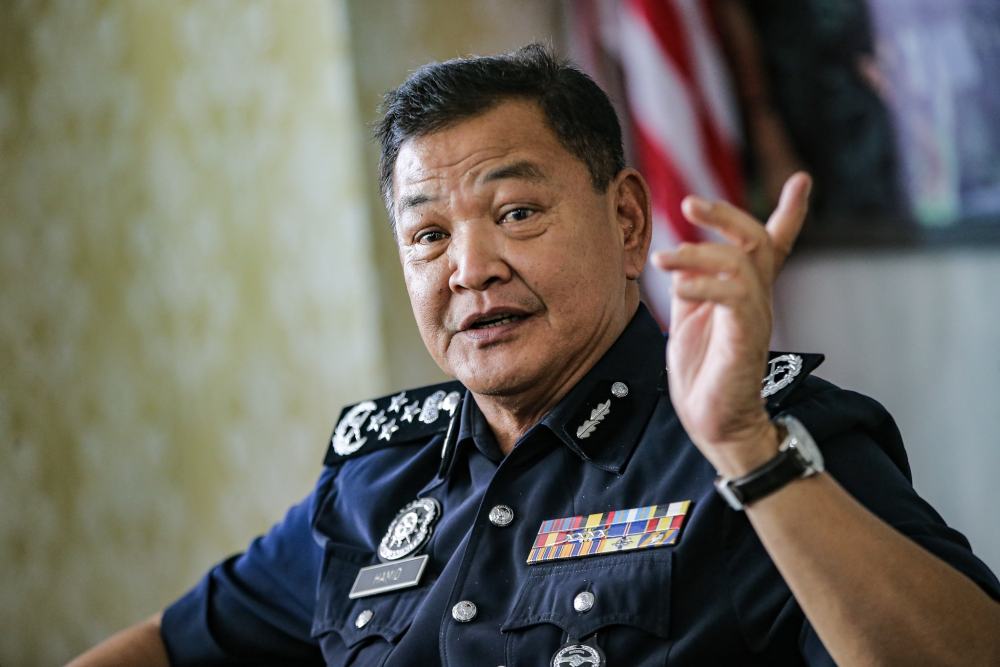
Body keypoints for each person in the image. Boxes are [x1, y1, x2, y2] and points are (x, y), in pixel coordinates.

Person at [70, 44, 1000, 666]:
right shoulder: (376, 479)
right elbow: (169, 643)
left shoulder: (763, 434)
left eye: (516, 213)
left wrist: (747, 448)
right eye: (428, 236)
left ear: (626, 221)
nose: (470, 269)